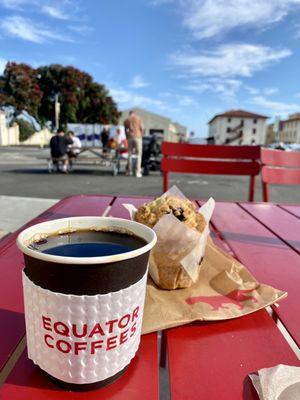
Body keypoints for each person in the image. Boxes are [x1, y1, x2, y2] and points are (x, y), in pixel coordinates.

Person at [124, 110, 144, 177]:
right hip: (138, 137)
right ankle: (137, 171)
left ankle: (129, 171)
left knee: (129, 154)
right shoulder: (138, 118)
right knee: (139, 154)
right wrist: (141, 135)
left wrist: (127, 137)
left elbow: (126, 130)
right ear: (134, 114)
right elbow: (142, 128)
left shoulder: (127, 120)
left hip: (130, 137)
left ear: (129, 114)